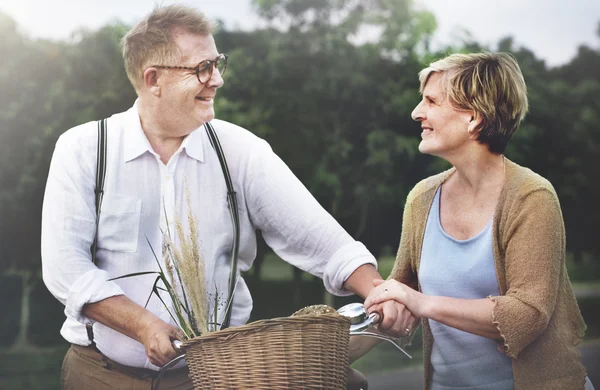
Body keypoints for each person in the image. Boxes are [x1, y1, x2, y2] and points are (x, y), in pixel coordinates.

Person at [41, 4, 400, 389]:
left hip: (216, 375)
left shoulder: (240, 151)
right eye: (201, 68)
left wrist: (380, 292)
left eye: (217, 64)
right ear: (153, 79)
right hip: (102, 375)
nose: (217, 80)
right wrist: (143, 326)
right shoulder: (83, 149)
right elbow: (66, 268)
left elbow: (321, 240)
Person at [361, 52, 593, 389]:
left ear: (473, 117)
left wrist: (423, 304)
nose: (417, 113)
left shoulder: (532, 197)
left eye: (431, 101)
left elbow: (527, 315)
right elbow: (400, 291)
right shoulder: (421, 198)